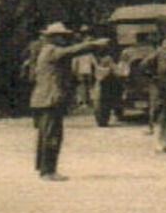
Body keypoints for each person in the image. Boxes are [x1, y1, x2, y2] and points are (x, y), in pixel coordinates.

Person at [30, 22, 109, 180]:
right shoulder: (51, 50)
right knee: (52, 135)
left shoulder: (47, 50)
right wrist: (93, 44)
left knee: (47, 134)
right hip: (50, 98)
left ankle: (45, 169)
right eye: (61, 36)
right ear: (53, 37)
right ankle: (48, 171)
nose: (64, 39)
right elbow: (73, 51)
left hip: (45, 98)